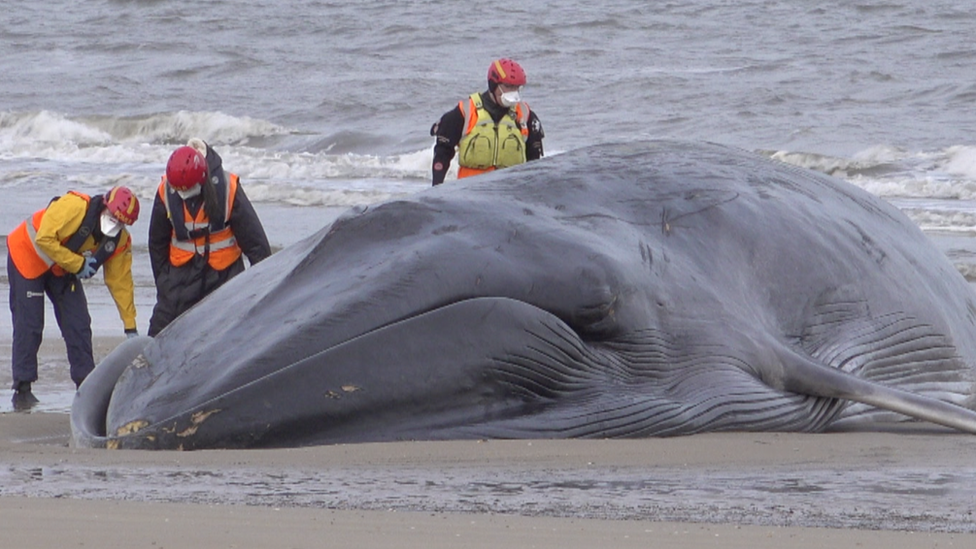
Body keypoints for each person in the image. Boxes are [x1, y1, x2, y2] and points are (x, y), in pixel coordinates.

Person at [7, 186, 140, 409]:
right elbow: (44, 238)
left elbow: (121, 283)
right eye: (112, 217)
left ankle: (86, 386)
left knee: (78, 324)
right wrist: (78, 264)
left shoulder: (119, 241)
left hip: (63, 269)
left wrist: (130, 327)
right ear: (105, 205)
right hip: (28, 255)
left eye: (120, 222)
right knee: (30, 324)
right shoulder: (76, 207)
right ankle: (22, 389)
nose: (114, 224)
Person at [148, 138, 271, 336]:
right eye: (179, 190)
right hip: (179, 279)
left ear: (202, 178)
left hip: (225, 277)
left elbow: (256, 245)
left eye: (187, 189)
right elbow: (156, 243)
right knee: (158, 337)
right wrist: (163, 284)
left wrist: (262, 290)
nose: (183, 194)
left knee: (233, 337)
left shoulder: (228, 188)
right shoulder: (166, 191)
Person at [430, 58, 545, 185]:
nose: (513, 92)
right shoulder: (466, 111)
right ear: (493, 85)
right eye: (507, 86)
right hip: (469, 192)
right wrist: (436, 189)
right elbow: (442, 153)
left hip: (509, 192)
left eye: (516, 87)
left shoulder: (525, 115)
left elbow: (534, 162)